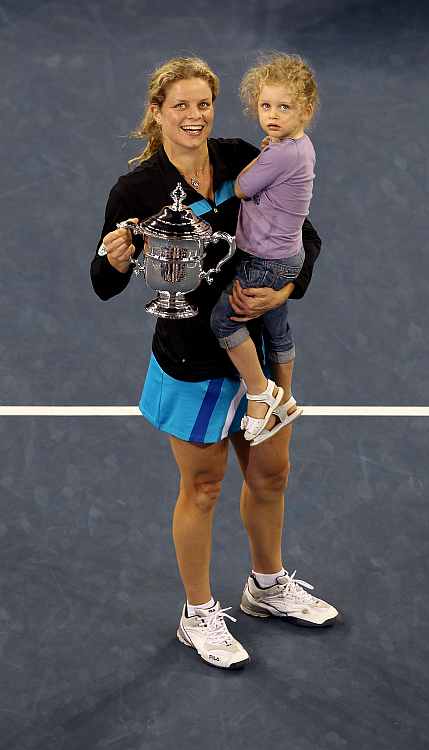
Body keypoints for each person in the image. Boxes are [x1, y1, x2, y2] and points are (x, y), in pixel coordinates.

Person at [91, 56, 341, 671]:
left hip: (255, 347)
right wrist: (119, 260)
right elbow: (102, 282)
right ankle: (198, 611)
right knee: (202, 487)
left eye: (204, 103)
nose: (195, 115)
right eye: (180, 104)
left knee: (272, 475)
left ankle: (266, 585)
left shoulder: (238, 157)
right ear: (157, 112)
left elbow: (303, 235)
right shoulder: (137, 191)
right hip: (191, 360)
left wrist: (284, 290)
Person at [210, 53, 317, 446]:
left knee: (224, 320)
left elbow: (241, 188)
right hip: (288, 257)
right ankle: (285, 400)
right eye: (266, 105)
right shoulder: (300, 146)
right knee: (275, 327)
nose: (272, 114)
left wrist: (257, 160)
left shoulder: (280, 153)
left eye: (284, 107)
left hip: (265, 261)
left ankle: (261, 395)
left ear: (305, 110)